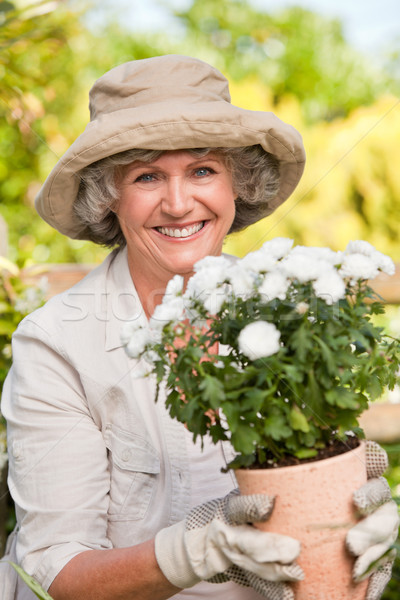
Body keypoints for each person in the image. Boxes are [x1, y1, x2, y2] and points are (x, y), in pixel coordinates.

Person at [0, 55, 398, 600]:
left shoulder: (289, 315)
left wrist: (351, 535)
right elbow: (53, 572)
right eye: (147, 176)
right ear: (109, 198)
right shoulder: (58, 342)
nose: (180, 203)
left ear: (238, 183)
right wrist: (197, 551)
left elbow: (315, 527)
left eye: (203, 170)